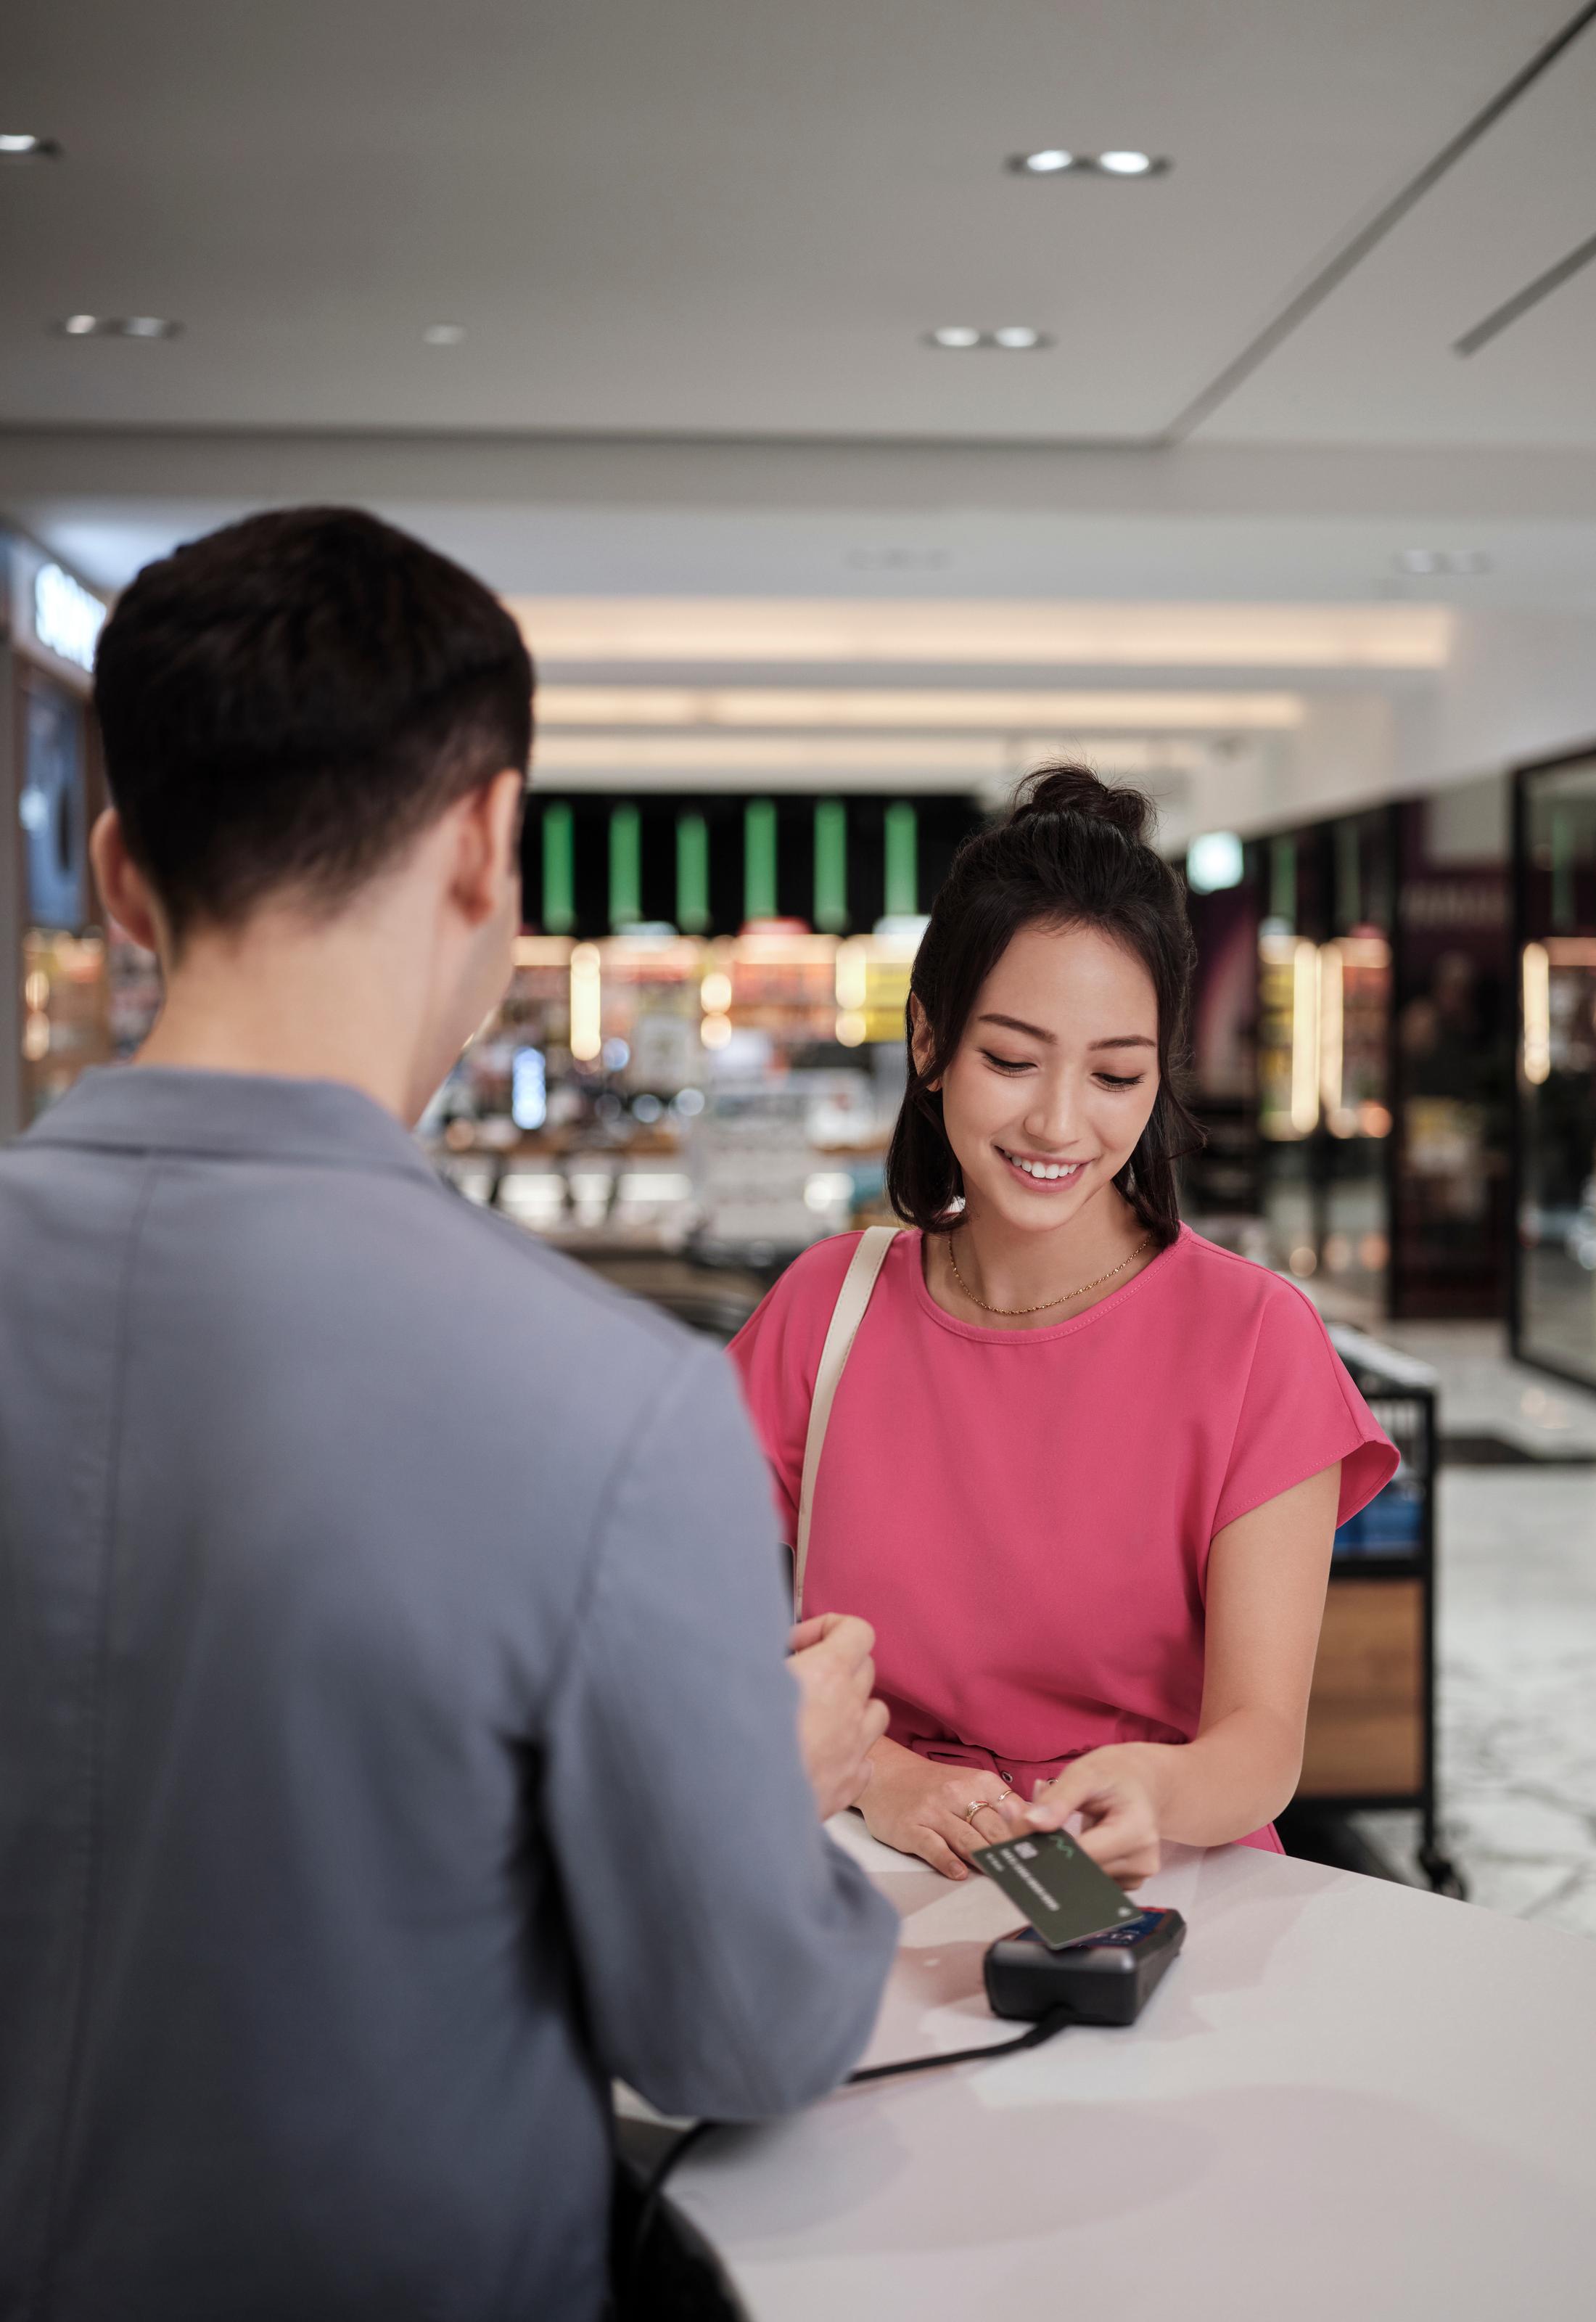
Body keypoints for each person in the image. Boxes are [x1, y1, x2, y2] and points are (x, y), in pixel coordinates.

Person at [0, 507, 895, 2322]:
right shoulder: (618, 1407)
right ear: (487, 842)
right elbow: (738, 2034)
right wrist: (764, 1792)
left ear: (118, 871)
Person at [731, 766, 1398, 1887]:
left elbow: (1261, 1744)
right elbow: (677, 1620)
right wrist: (883, 1774)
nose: (1058, 1121)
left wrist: (1154, 1790)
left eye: (1115, 1075)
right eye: (1010, 1059)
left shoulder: (1254, 1339)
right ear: (929, 1041)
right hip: (865, 1873)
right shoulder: (825, 1309)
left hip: (1153, 1884)